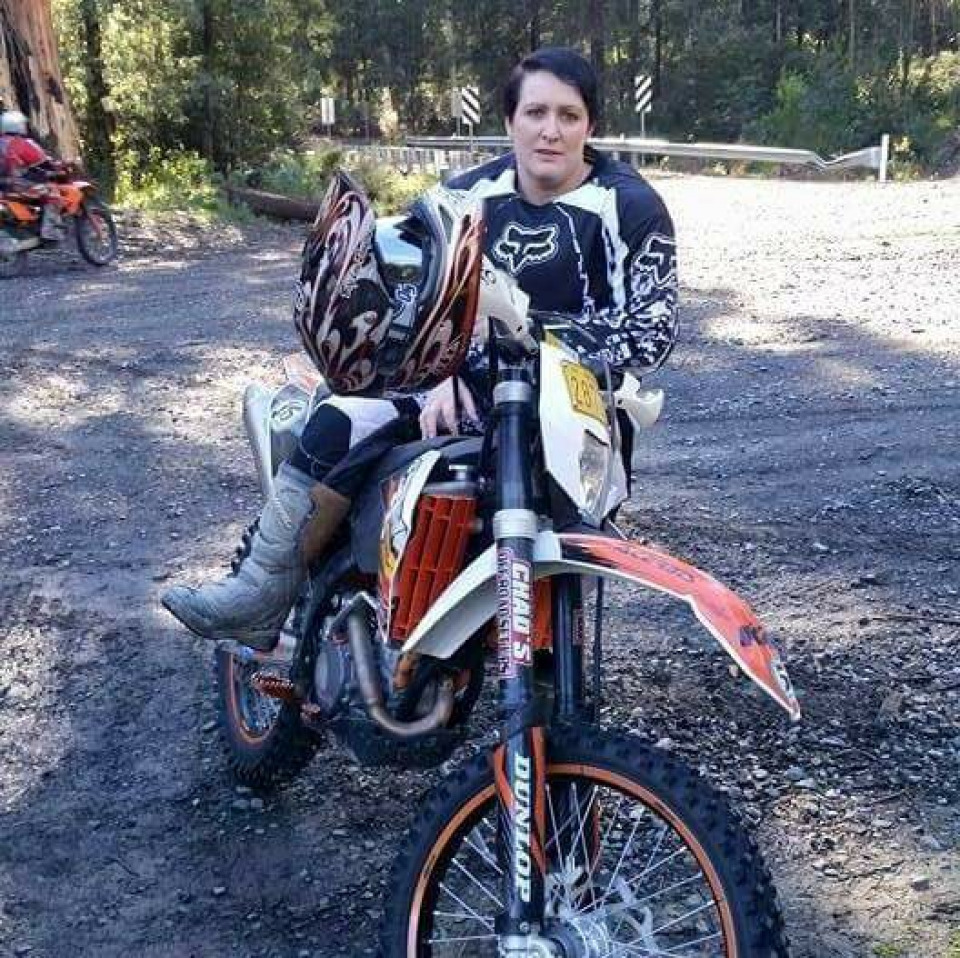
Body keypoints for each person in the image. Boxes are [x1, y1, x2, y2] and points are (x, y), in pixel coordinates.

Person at [161, 46, 678, 652]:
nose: (551, 130)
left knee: (571, 533)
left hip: (573, 406)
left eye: (569, 115)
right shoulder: (461, 199)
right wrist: (441, 365)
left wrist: (517, 338)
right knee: (341, 416)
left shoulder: (629, 206)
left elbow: (652, 333)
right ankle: (260, 591)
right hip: (459, 388)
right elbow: (403, 291)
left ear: (590, 125)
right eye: (536, 112)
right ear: (510, 120)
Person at [0, 110, 66, 238]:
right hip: (16, 187)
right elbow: (44, 163)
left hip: (3, 189)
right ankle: (50, 231)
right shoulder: (22, 143)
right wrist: (56, 168)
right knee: (52, 191)